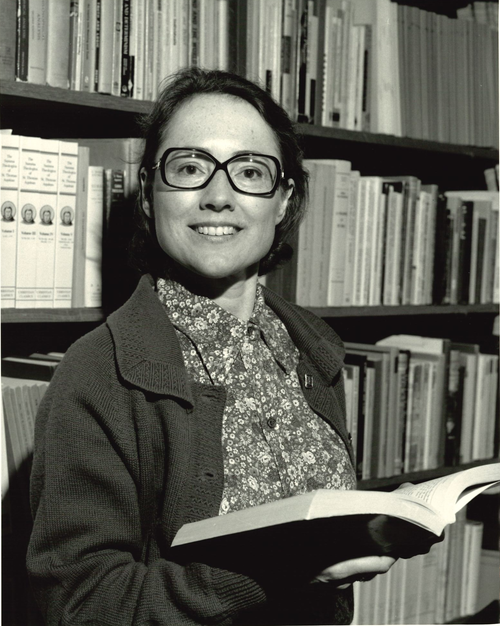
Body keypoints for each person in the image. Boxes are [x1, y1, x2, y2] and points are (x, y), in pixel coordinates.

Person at [27, 68, 437, 626]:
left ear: (283, 201)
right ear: (150, 193)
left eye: (249, 171)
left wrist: (381, 520)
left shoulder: (312, 346)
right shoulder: (98, 372)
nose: (218, 196)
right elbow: (78, 605)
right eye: (190, 168)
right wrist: (277, 569)